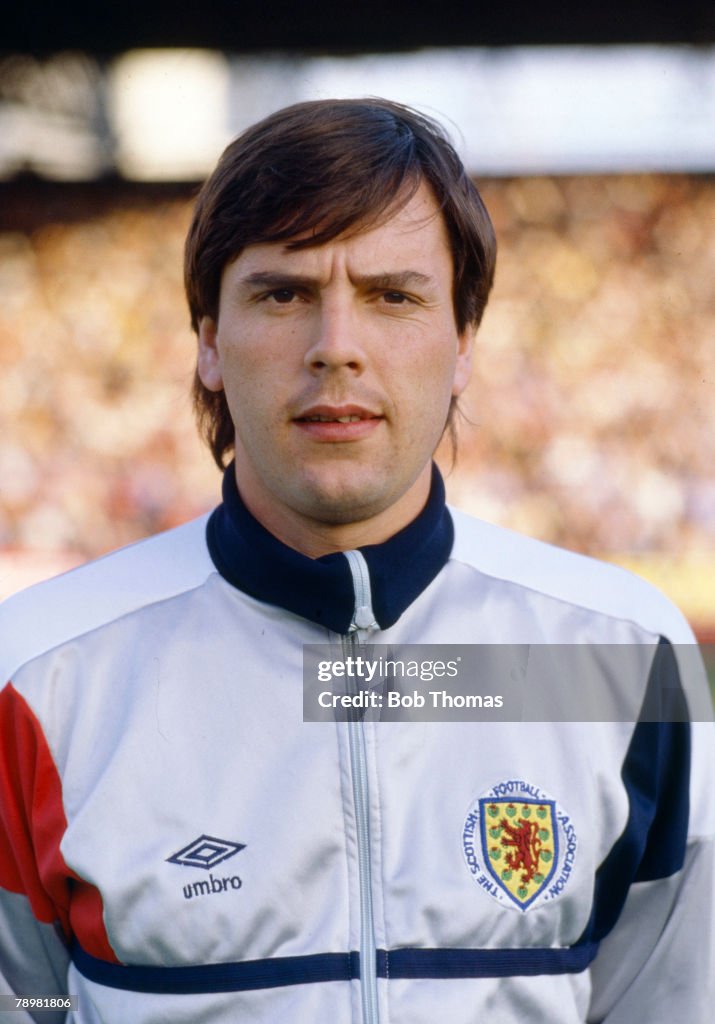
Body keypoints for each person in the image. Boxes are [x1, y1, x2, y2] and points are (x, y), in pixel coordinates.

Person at [0, 98, 712, 1024]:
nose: (336, 348)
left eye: (393, 295)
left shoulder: (614, 653)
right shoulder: (42, 676)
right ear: (209, 342)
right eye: (283, 293)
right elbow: (30, 1004)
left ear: (462, 343)